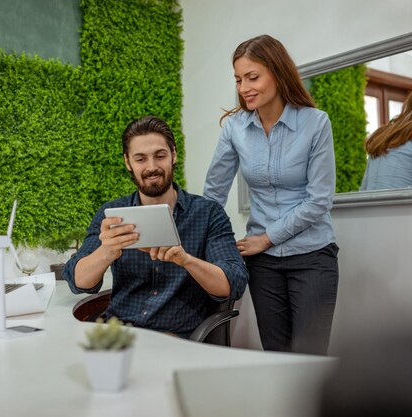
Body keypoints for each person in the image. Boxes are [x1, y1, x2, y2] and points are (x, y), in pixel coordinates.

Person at [203, 34, 339, 355]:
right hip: (262, 265)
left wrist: (266, 238)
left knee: (309, 358)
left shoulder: (315, 123)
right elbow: (213, 193)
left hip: (312, 257)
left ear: (277, 73)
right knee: (276, 356)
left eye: (253, 77)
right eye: (238, 79)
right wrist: (203, 243)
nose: (244, 88)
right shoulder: (234, 128)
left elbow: (319, 199)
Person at [63, 116, 248, 338]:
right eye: (140, 159)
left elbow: (234, 282)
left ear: (173, 155)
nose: (152, 167)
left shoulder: (208, 213)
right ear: (127, 162)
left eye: (159, 156)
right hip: (120, 334)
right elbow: (78, 281)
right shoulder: (112, 214)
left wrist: (185, 260)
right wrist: (106, 252)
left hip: (175, 337)